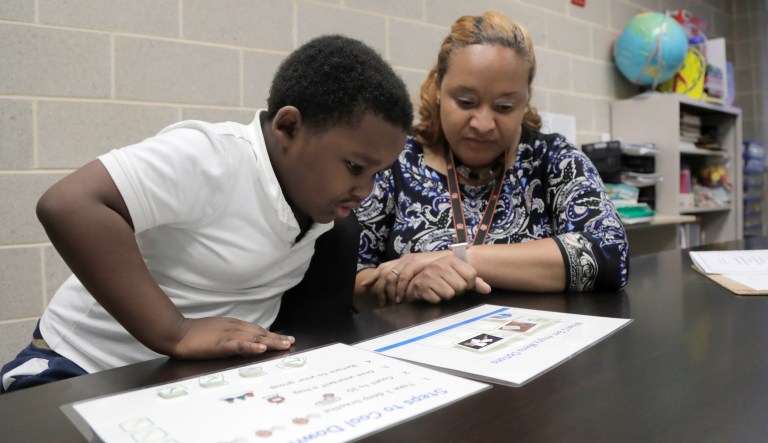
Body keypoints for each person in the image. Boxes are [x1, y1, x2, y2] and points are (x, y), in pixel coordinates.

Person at [0, 35, 413, 393]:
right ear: (288, 127)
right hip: (84, 367)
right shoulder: (213, 156)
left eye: (378, 174)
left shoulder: (325, 211)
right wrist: (175, 331)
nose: (365, 190)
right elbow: (69, 204)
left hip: (188, 382)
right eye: (356, 168)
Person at [355, 11, 628, 307]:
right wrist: (401, 281)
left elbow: (610, 254)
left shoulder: (553, 159)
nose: (483, 123)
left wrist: (455, 258)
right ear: (438, 89)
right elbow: (348, 277)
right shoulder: (396, 159)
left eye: (504, 106)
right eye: (466, 102)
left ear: (525, 101)